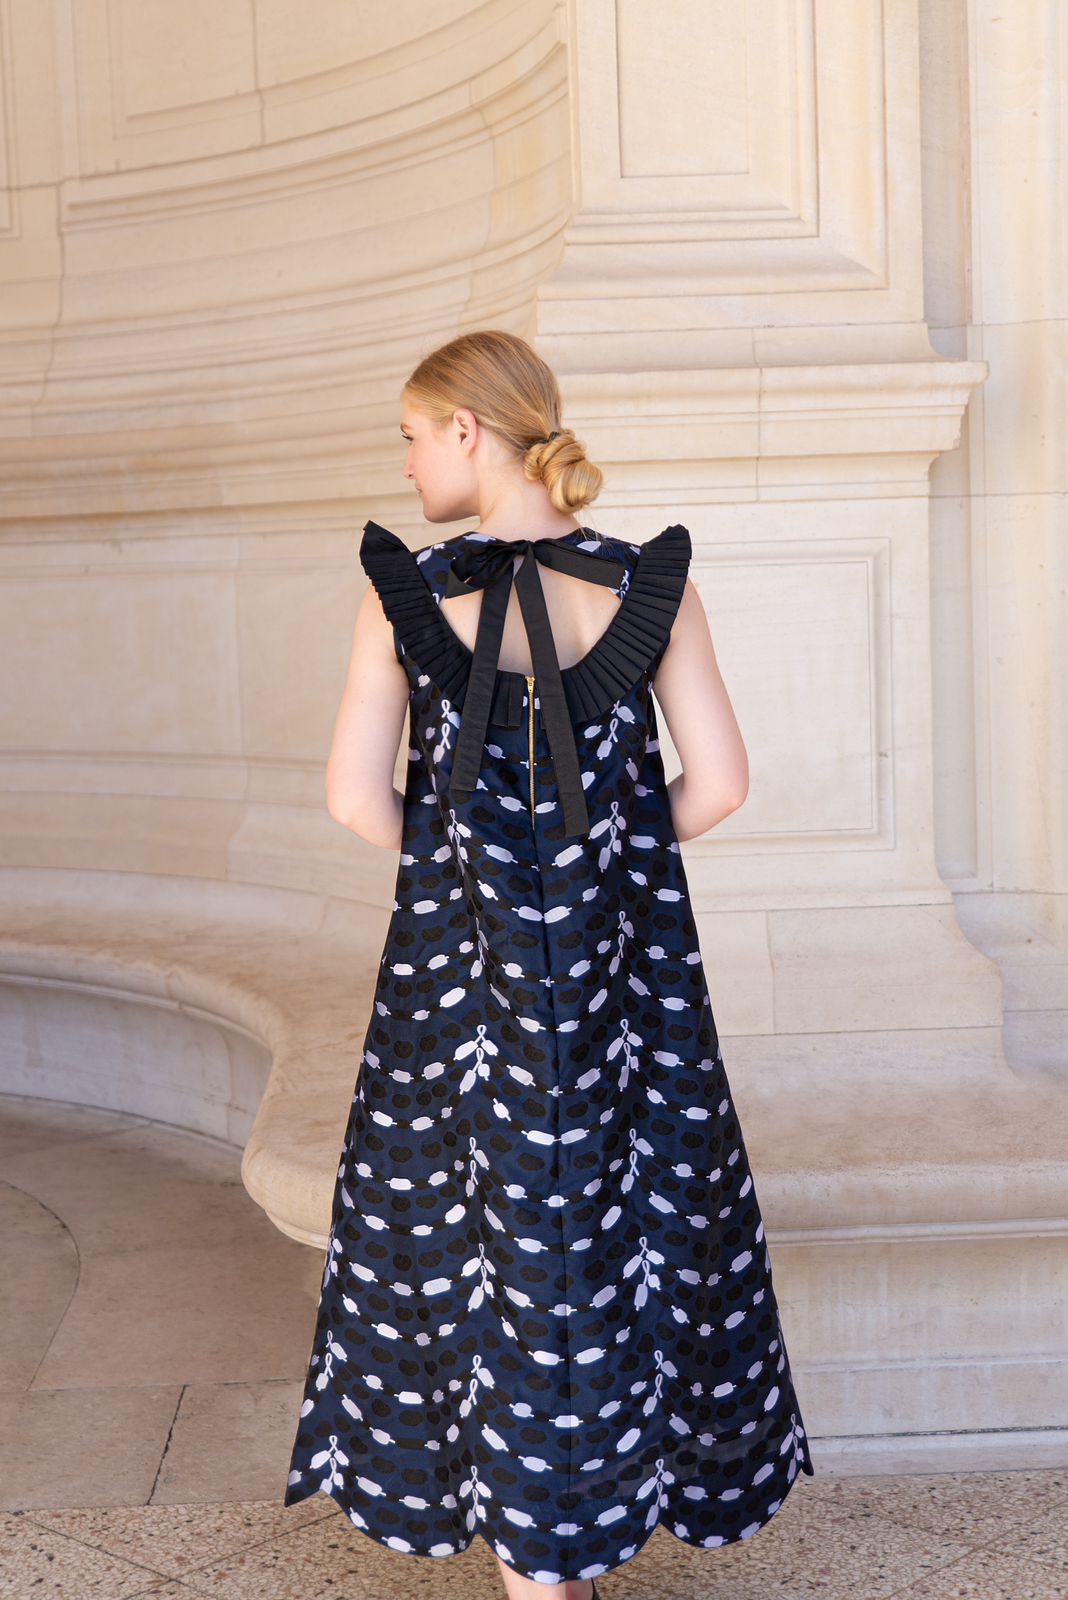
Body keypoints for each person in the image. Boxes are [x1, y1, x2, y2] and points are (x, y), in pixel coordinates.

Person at [284, 330, 814, 1600]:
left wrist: (475, 867)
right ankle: (579, 1532)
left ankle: (536, 1562)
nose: (406, 463)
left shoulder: (406, 596)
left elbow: (356, 798)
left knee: (468, 1233)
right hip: (627, 987)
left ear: (468, 430)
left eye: (413, 435)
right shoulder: (648, 588)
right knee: (625, 1228)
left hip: (458, 984)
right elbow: (721, 783)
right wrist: (598, 866)